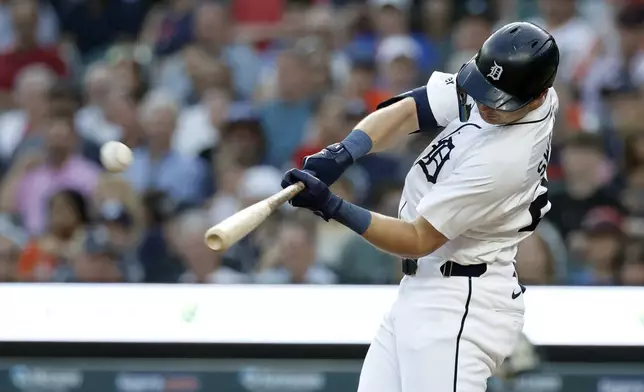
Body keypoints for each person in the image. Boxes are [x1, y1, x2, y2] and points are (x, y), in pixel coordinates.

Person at [281, 22, 559, 392]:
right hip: (423, 289)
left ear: (537, 98)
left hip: (460, 301)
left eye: (497, 101)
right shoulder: (515, 84)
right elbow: (415, 107)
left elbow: (417, 238)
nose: (483, 105)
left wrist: (332, 205)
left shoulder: (507, 160)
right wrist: (346, 150)